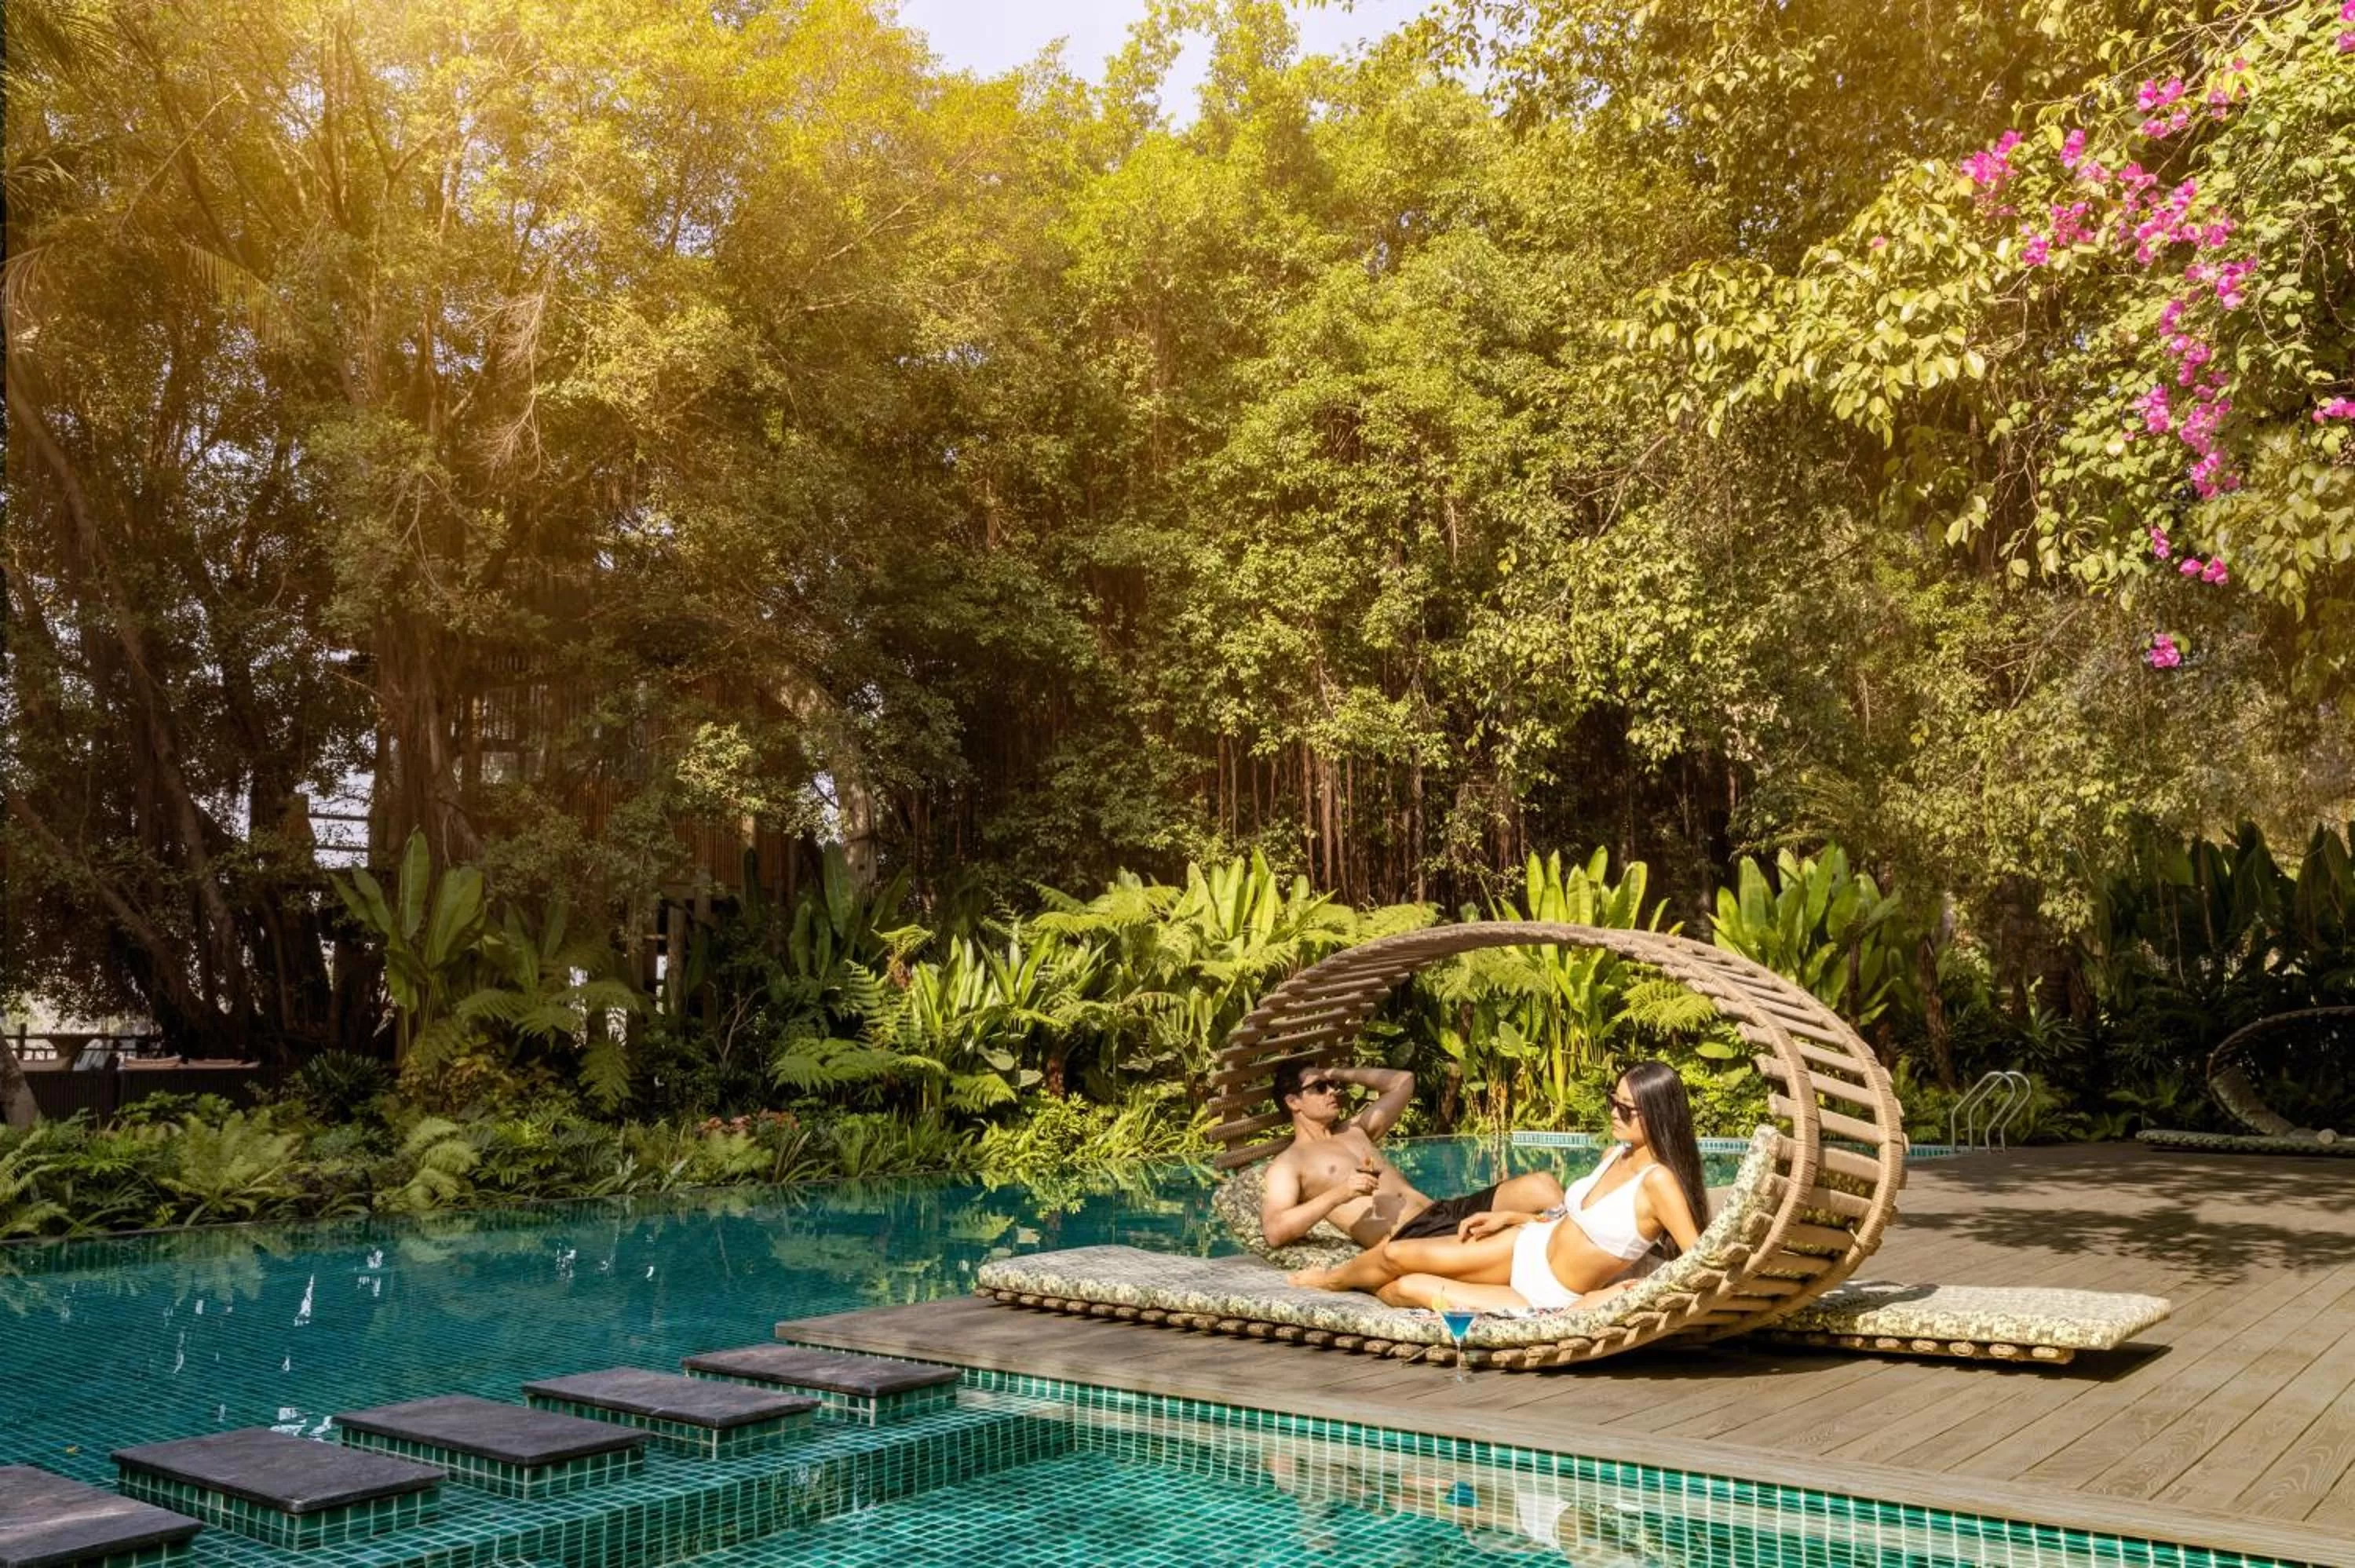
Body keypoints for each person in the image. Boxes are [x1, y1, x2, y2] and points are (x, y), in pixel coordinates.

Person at [1287, 1060, 1708, 1312]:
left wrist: (1617, 1298)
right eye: (1611, 1101)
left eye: (1626, 1109)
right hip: (1526, 1244)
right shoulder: (1614, 1155)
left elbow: (1700, 1265)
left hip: (1549, 1292)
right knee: (1396, 1253)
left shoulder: (1659, 1183)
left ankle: (1348, 1280)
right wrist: (1516, 1217)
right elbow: (1576, 1220)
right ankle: (1329, 1280)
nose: (1614, 1113)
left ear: (1657, 1114)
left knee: (1402, 1288)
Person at [1258, 1059, 1568, 1249]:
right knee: (1516, 1242)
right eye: (1319, 1088)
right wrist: (1341, 1193)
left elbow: (1403, 1081)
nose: (1332, 1092)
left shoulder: (1354, 1129)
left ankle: (1588, 1243)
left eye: (1332, 1086)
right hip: (1414, 1236)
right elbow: (1275, 1231)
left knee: (1542, 1185)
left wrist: (1335, 1071)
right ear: (1293, 1102)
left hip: (1445, 1212)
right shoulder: (1290, 1163)